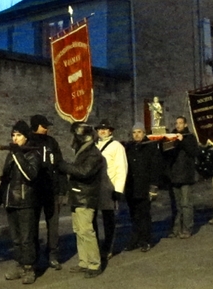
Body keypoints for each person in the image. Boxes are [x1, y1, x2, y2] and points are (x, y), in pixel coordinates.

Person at [0, 120, 41, 284]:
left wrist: (17, 154)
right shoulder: (11, 154)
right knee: (16, 238)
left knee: (27, 238)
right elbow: (6, 179)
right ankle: (20, 264)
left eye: (19, 135)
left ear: (26, 137)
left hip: (26, 201)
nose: (15, 138)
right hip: (11, 200)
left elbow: (30, 175)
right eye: (13, 135)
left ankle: (29, 267)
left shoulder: (33, 153)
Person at [58, 122, 104, 278]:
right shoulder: (84, 151)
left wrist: (63, 166)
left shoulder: (93, 154)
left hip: (86, 196)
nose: (73, 140)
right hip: (78, 195)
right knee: (79, 231)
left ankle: (94, 263)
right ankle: (84, 261)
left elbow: (84, 172)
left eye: (76, 136)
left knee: (86, 231)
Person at [29, 114, 67, 270]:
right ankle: (34, 256)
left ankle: (52, 254)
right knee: (32, 225)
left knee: (53, 225)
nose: (47, 128)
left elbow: (59, 163)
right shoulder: (30, 142)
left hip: (52, 190)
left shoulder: (52, 142)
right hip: (35, 191)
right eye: (44, 126)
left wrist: (63, 187)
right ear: (36, 126)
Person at [123, 122, 161, 251]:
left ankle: (146, 240)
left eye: (139, 132)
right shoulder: (129, 147)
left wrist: (153, 187)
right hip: (131, 187)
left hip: (144, 186)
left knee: (144, 214)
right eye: (134, 132)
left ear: (144, 133)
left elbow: (155, 168)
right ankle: (135, 239)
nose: (136, 135)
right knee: (133, 215)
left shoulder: (150, 147)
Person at [93, 119, 128, 259]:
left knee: (109, 219)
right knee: (92, 218)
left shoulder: (116, 146)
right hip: (95, 187)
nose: (102, 131)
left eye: (105, 129)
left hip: (109, 186)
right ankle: (95, 246)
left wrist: (118, 189)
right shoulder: (94, 145)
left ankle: (108, 247)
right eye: (100, 129)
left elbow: (121, 168)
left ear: (110, 131)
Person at [164, 117, 199, 239]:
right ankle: (176, 228)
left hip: (186, 175)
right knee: (177, 205)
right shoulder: (172, 137)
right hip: (174, 175)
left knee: (186, 203)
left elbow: (194, 152)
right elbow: (167, 153)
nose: (178, 125)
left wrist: (183, 141)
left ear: (185, 124)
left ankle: (187, 228)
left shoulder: (190, 137)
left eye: (180, 123)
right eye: (176, 123)